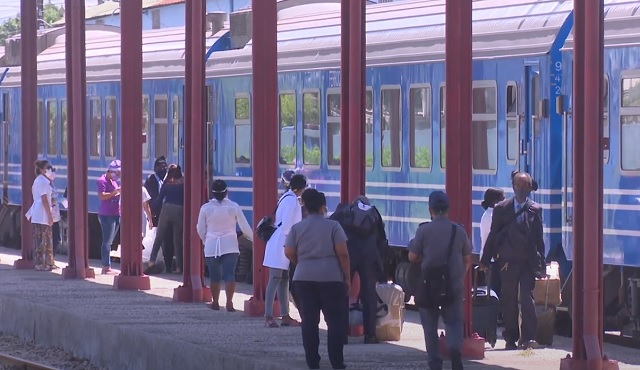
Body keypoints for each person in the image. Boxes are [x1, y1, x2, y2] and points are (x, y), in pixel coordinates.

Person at [285, 189, 350, 370]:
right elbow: (343, 254)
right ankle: (337, 362)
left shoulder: (297, 228)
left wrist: (302, 262)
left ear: (304, 207)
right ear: (323, 206)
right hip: (331, 278)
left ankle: (313, 362)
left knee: (309, 321)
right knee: (335, 321)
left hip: (304, 278)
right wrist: (346, 277)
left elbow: (288, 251)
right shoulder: (333, 226)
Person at [480, 171, 545, 350]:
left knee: (527, 298)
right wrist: (485, 259)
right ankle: (510, 337)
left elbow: (539, 239)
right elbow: (493, 235)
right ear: (513, 187)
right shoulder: (502, 208)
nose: (522, 189)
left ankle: (529, 337)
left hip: (527, 261)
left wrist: (542, 265)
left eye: (526, 186)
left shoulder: (535, 209)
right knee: (508, 299)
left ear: (531, 188)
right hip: (508, 261)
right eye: (519, 185)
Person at [408, 191, 472, 370]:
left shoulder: (424, 230)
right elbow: (467, 257)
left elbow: (412, 256)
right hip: (452, 284)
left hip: (429, 285)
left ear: (431, 210)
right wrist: (460, 275)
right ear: (448, 209)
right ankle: (454, 351)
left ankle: (435, 363)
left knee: (429, 326)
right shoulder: (458, 230)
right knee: (453, 321)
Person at [332, 195, 386, 344]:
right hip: (369, 256)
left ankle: (342, 334)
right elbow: (382, 238)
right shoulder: (374, 213)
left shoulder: (343, 212)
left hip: (349, 255)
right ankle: (371, 335)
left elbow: (331, 228)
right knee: (369, 295)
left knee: (343, 292)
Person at [197, 179, 253, 312]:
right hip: (230, 245)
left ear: (212, 193)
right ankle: (229, 303)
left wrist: (206, 240)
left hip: (211, 245)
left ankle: (215, 302)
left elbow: (200, 229)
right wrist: (253, 239)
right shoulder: (234, 206)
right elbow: (244, 227)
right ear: (226, 192)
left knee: (215, 276)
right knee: (229, 275)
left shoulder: (205, 208)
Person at [263, 173, 307, 328]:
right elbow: (288, 225)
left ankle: (285, 315)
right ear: (301, 188)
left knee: (283, 279)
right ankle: (268, 315)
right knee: (275, 279)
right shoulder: (292, 201)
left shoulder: (287, 198)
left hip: (281, 242)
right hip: (281, 243)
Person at [148, 164, 184, 274]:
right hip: (179, 210)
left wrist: (151, 208)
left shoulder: (167, 183)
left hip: (166, 209)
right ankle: (179, 267)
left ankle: (152, 260)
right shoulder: (184, 183)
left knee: (159, 236)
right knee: (177, 241)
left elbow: (159, 200)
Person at [26, 160, 56, 271]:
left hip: (38, 213)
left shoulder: (40, 181)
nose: (49, 170)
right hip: (41, 214)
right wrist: (49, 216)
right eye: (47, 168)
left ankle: (44, 263)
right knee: (43, 239)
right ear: (41, 170)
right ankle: (43, 263)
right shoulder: (42, 182)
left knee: (41, 238)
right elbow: (44, 200)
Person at [144, 156, 173, 271]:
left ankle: (167, 262)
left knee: (167, 239)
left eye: (164, 167)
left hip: (166, 213)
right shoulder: (150, 180)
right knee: (158, 238)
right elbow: (148, 199)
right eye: (160, 167)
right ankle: (154, 261)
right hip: (156, 213)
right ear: (155, 168)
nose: (163, 169)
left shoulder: (168, 180)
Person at [479, 188, 505, 297]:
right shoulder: (492, 217)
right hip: (493, 261)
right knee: (496, 293)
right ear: (496, 202)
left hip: (491, 260)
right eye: (503, 199)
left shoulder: (487, 215)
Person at [97, 159, 121, 275]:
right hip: (106, 214)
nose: (117, 176)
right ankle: (106, 266)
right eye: (116, 173)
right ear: (111, 171)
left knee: (110, 241)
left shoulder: (113, 182)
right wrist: (115, 192)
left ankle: (107, 265)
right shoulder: (101, 181)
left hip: (116, 213)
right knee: (107, 241)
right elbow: (102, 196)